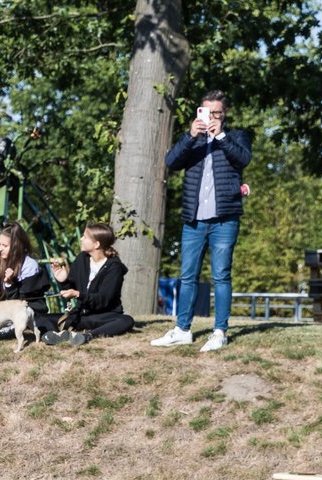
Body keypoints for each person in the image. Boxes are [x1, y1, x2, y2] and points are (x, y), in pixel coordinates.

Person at [152, 89, 251, 353]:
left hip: (224, 219)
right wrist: (189, 136)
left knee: (221, 275)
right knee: (187, 275)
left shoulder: (237, 136)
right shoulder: (193, 140)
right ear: (200, 111)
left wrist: (220, 136)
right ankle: (182, 330)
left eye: (217, 112)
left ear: (224, 113)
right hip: (193, 219)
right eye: (208, 112)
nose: (212, 117)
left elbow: (243, 159)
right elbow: (171, 162)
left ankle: (220, 332)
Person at [42, 223, 134, 345]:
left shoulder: (114, 267)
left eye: (85, 237)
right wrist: (63, 280)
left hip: (104, 317)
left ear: (96, 244)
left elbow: (103, 299)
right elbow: (71, 290)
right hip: (81, 315)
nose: (81, 239)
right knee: (40, 318)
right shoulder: (82, 258)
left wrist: (79, 295)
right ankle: (62, 335)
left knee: (126, 320)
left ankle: (87, 336)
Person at [0, 222, 52, 335]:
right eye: (0, 244)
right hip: (10, 314)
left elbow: (20, 304)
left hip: (31, 313)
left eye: (5, 246)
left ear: (16, 246)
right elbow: (0, 301)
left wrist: (9, 284)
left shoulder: (30, 266)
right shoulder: (3, 262)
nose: (0, 249)